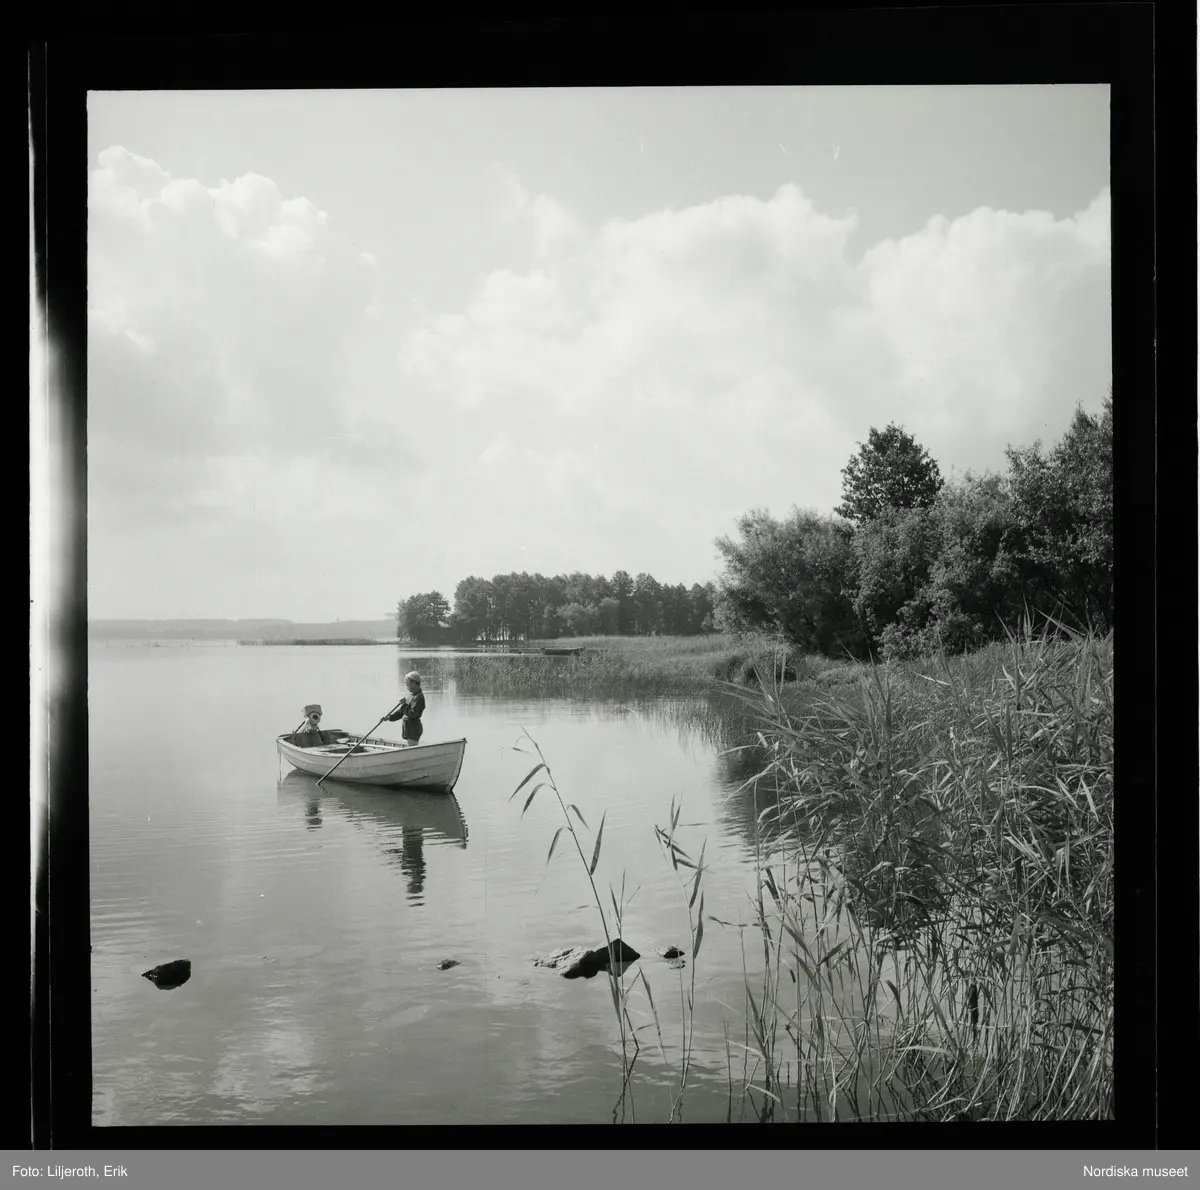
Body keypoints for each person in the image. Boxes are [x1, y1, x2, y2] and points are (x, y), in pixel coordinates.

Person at [387, 671, 425, 746]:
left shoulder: (419, 697)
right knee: (411, 749)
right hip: (409, 729)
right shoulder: (411, 696)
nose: (406, 685)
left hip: (413, 729)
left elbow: (413, 713)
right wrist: (389, 717)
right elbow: (401, 712)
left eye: (407, 683)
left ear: (413, 683)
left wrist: (404, 705)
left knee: (412, 750)